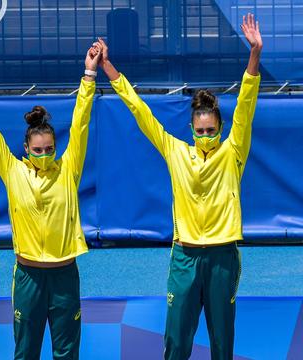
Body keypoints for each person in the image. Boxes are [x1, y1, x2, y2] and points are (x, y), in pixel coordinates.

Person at [95, 13, 262, 359]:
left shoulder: (233, 151)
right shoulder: (175, 151)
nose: (205, 135)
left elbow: (245, 106)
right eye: (199, 130)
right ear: (191, 128)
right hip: (184, 257)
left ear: (219, 126)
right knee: (176, 343)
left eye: (211, 129)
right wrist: (109, 69)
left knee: (221, 345)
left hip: (222, 257)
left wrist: (255, 53)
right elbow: (140, 112)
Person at [0, 47, 101, 359]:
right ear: (26, 148)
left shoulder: (69, 169)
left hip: (64, 276)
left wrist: (89, 75)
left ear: (57, 148)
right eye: (38, 150)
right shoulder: (12, 170)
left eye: (49, 149)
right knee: (25, 352)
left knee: (67, 352)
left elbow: (81, 123)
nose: (44, 155)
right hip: (28, 277)